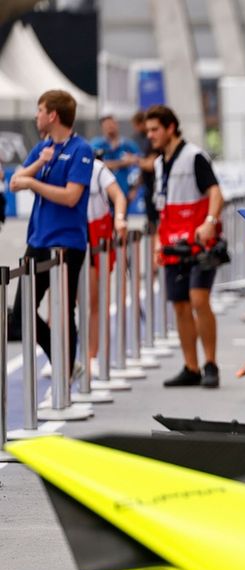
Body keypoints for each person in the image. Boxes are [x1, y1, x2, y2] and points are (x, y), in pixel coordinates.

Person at [7, 90, 93, 375]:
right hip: (38, 240)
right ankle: (63, 361)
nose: (37, 116)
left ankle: (65, 373)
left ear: (53, 115)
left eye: (40, 110)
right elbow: (15, 182)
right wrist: (39, 164)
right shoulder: (43, 149)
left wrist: (34, 184)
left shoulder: (81, 150)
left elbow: (70, 196)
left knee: (64, 309)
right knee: (21, 313)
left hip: (67, 242)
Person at [145, 104, 224, 388]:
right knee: (180, 305)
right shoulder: (158, 164)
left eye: (155, 129)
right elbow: (161, 208)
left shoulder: (194, 157)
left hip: (200, 243)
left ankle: (211, 363)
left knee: (199, 300)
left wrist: (210, 221)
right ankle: (191, 367)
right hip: (172, 245)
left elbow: (216, 192)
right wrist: (158, 241)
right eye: (148, 130)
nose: (150, 135)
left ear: (170, 128)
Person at [85, 154, 127, 362]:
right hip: (66, 235)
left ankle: (93, 356)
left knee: (95, 300)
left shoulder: (97, 168)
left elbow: (118, 196)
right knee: (63, 300)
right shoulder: (53, 161)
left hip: (95, 236)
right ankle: (58, 358)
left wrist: (119, 219)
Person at [90, 114, 140, 207]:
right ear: (102, 127)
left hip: (124, 192)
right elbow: (95, 165)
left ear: (117, 124)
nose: (110, 127)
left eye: (112, 124)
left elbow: (139, 166)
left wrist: (134, 189)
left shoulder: (129, 145)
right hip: (102, 193)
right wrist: (123, 163)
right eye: (107, 125)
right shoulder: (96, 144)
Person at [131, 110, 158, 225]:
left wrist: (134, 160)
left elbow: (151, 165)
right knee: (151, 221)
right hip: (148, 189)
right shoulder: (147, 142)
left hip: (155, 189)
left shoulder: (153, 142)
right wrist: (135, 188)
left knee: (156, 222)